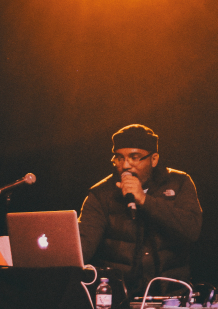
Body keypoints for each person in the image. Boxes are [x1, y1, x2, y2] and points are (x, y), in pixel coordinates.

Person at [78, 124, 203, 296]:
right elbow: (84, 246)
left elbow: (192, 229)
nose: (125, 165)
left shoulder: (179, 183)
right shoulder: (101, 194)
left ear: (154, 159)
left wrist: (145, 200)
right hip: (119, 298)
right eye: (119, 158)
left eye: (134, 157)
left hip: (172, 296)